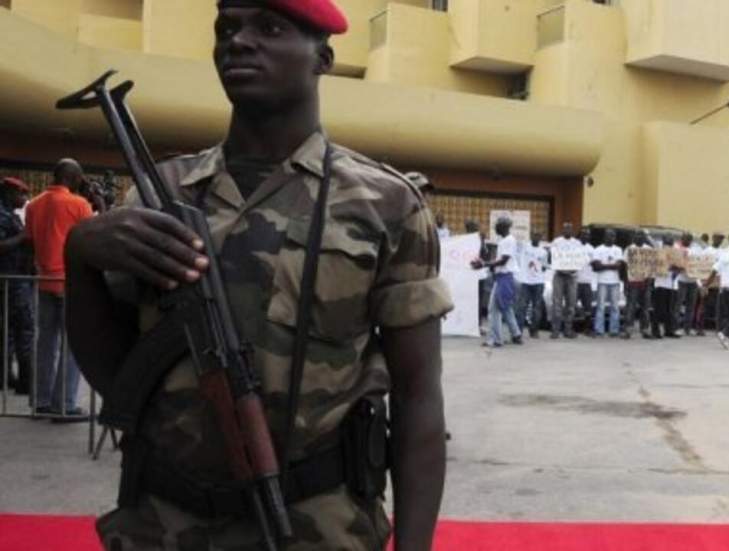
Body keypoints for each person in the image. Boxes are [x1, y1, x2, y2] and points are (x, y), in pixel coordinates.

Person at [65, 2, 453, 548]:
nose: (239, 42)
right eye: (227, 29)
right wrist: (79, 259)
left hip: (319, 528)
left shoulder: (385, 204)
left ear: (324, 58)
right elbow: (115, 376)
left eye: (270, 28)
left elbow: (418, 398)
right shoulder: (162, 194)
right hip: (162, 523)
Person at [25, 159, 93, 419]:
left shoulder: (34, 204)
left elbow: (30, 242)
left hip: (44, 281)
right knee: (71, 345)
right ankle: (63, 404)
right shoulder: (79, 204)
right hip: (70, 282)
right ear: (73, 177)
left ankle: (41, 401)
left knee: (45, 342)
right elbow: (92, 238)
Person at [0, 177, 34, 395]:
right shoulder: (2, 216)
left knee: (8, 331)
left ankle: (5, 378)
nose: (24, 199)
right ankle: (25, 382)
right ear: (11, 193)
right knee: (24, 328)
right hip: (12, 279)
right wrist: (23, 236)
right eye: (22, 194)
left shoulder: (7, 214)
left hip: (11, 278)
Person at [474, 217, 522, 347]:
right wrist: (489, 265)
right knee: (505, 307)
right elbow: (498, 261)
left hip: (506, 277)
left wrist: (484, 264)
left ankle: (496, 339)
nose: (495, 228)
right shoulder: (503, 241)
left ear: (504, 227)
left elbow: (503, 261)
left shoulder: (509, 240)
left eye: (497, 226)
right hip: (502, 277)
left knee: (493, 309)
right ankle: (516, 334)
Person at [549, 223, 581, 339]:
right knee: (556, 303)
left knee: (571, 304)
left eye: (569, 228)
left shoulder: (577, 243)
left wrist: (572, 268)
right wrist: (560, 267)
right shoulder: (556, 242)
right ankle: (555, 330)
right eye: (565, 228)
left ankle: (568, 330)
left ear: (572, 230)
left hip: (572, 276)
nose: (567, 230)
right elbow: (552, 257)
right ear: (562, 230)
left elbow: (579, 258)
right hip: (559, 275)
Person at [591, 229, 623, 337]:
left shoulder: (618, 250)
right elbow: (596, 266)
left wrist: (603, 265)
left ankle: (614, 330)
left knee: (615, 306)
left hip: (615, 281)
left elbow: (619, 266)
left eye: (613, 236)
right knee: (600, 306)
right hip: (602, 282)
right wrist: (611, 266)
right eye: (609, 236)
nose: (611, 238)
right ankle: (599, 330)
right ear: (604, 237)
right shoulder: (598, 249)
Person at [517, 230, 548, 338]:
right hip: (525, 281)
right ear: (531, 236)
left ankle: (534, 330)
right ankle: (518, 331)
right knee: (522, 307)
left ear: (541, 237)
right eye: (534, 235)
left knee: (537, 308)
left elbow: (544, 267)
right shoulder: (524, 247)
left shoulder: (544, 252)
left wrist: (539, 267)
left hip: (538, 282)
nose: (536, 237)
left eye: (538, 235)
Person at [622, 231, 652, 339]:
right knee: (631, 306)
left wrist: (649, 280)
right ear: (634, 237)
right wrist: (626, 282)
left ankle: (645, 330)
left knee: (645, 307)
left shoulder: (649, 249)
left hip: (646, 282)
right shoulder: (629, 249)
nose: (639, 238)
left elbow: (651, 266)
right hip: (632, 282)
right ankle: (628, 330)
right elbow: (625, 267)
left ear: (644, 238)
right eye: (637, 236)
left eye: (642, 236)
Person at [697, 232, 725, 334]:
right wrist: (700, 283)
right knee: (703, 305)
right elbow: (700, 267)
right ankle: (700, 328)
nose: (720, 240)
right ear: (713, 238)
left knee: (719, 307)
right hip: (706, 282)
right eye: (718, 238)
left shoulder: (723, 252)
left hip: (719, 283)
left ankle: (719, 328)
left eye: (721, 239)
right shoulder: (706, 252)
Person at [651, 236, 679, 339]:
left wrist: (677, 268)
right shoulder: (658, 253)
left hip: (672, 285)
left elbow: (681, 266)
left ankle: (669, 330)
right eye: (667, 243)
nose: (669, 245)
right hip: (660, 284)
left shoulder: (676, 254)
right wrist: (667, 266)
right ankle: (655, 331)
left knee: (670, 310)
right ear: (663, 243)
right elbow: (654, 267)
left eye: (671, 243)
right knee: (659, 309)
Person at [674, 232, 699, 336]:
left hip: (693, 281)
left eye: (689, 239)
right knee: (678, 305)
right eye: (685, 238)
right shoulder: (677, 249)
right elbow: (675, 264)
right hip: (681, 281)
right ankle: (675, 327)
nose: (687, 241)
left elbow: (699, 263)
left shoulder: (694, 250)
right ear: (682, 239)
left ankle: (687, 328)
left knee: (691, 306)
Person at [576, 227, 596, 333]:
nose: (586, 236)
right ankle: (569, 328)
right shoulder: (574, 247)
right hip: (575, 281)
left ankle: (587, 328)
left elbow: (595, 265)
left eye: (588, 235)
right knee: (571, 306)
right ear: (579, 235)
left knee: (588, 308)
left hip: (587, 282)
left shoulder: (591, 249)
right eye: (584, 234)